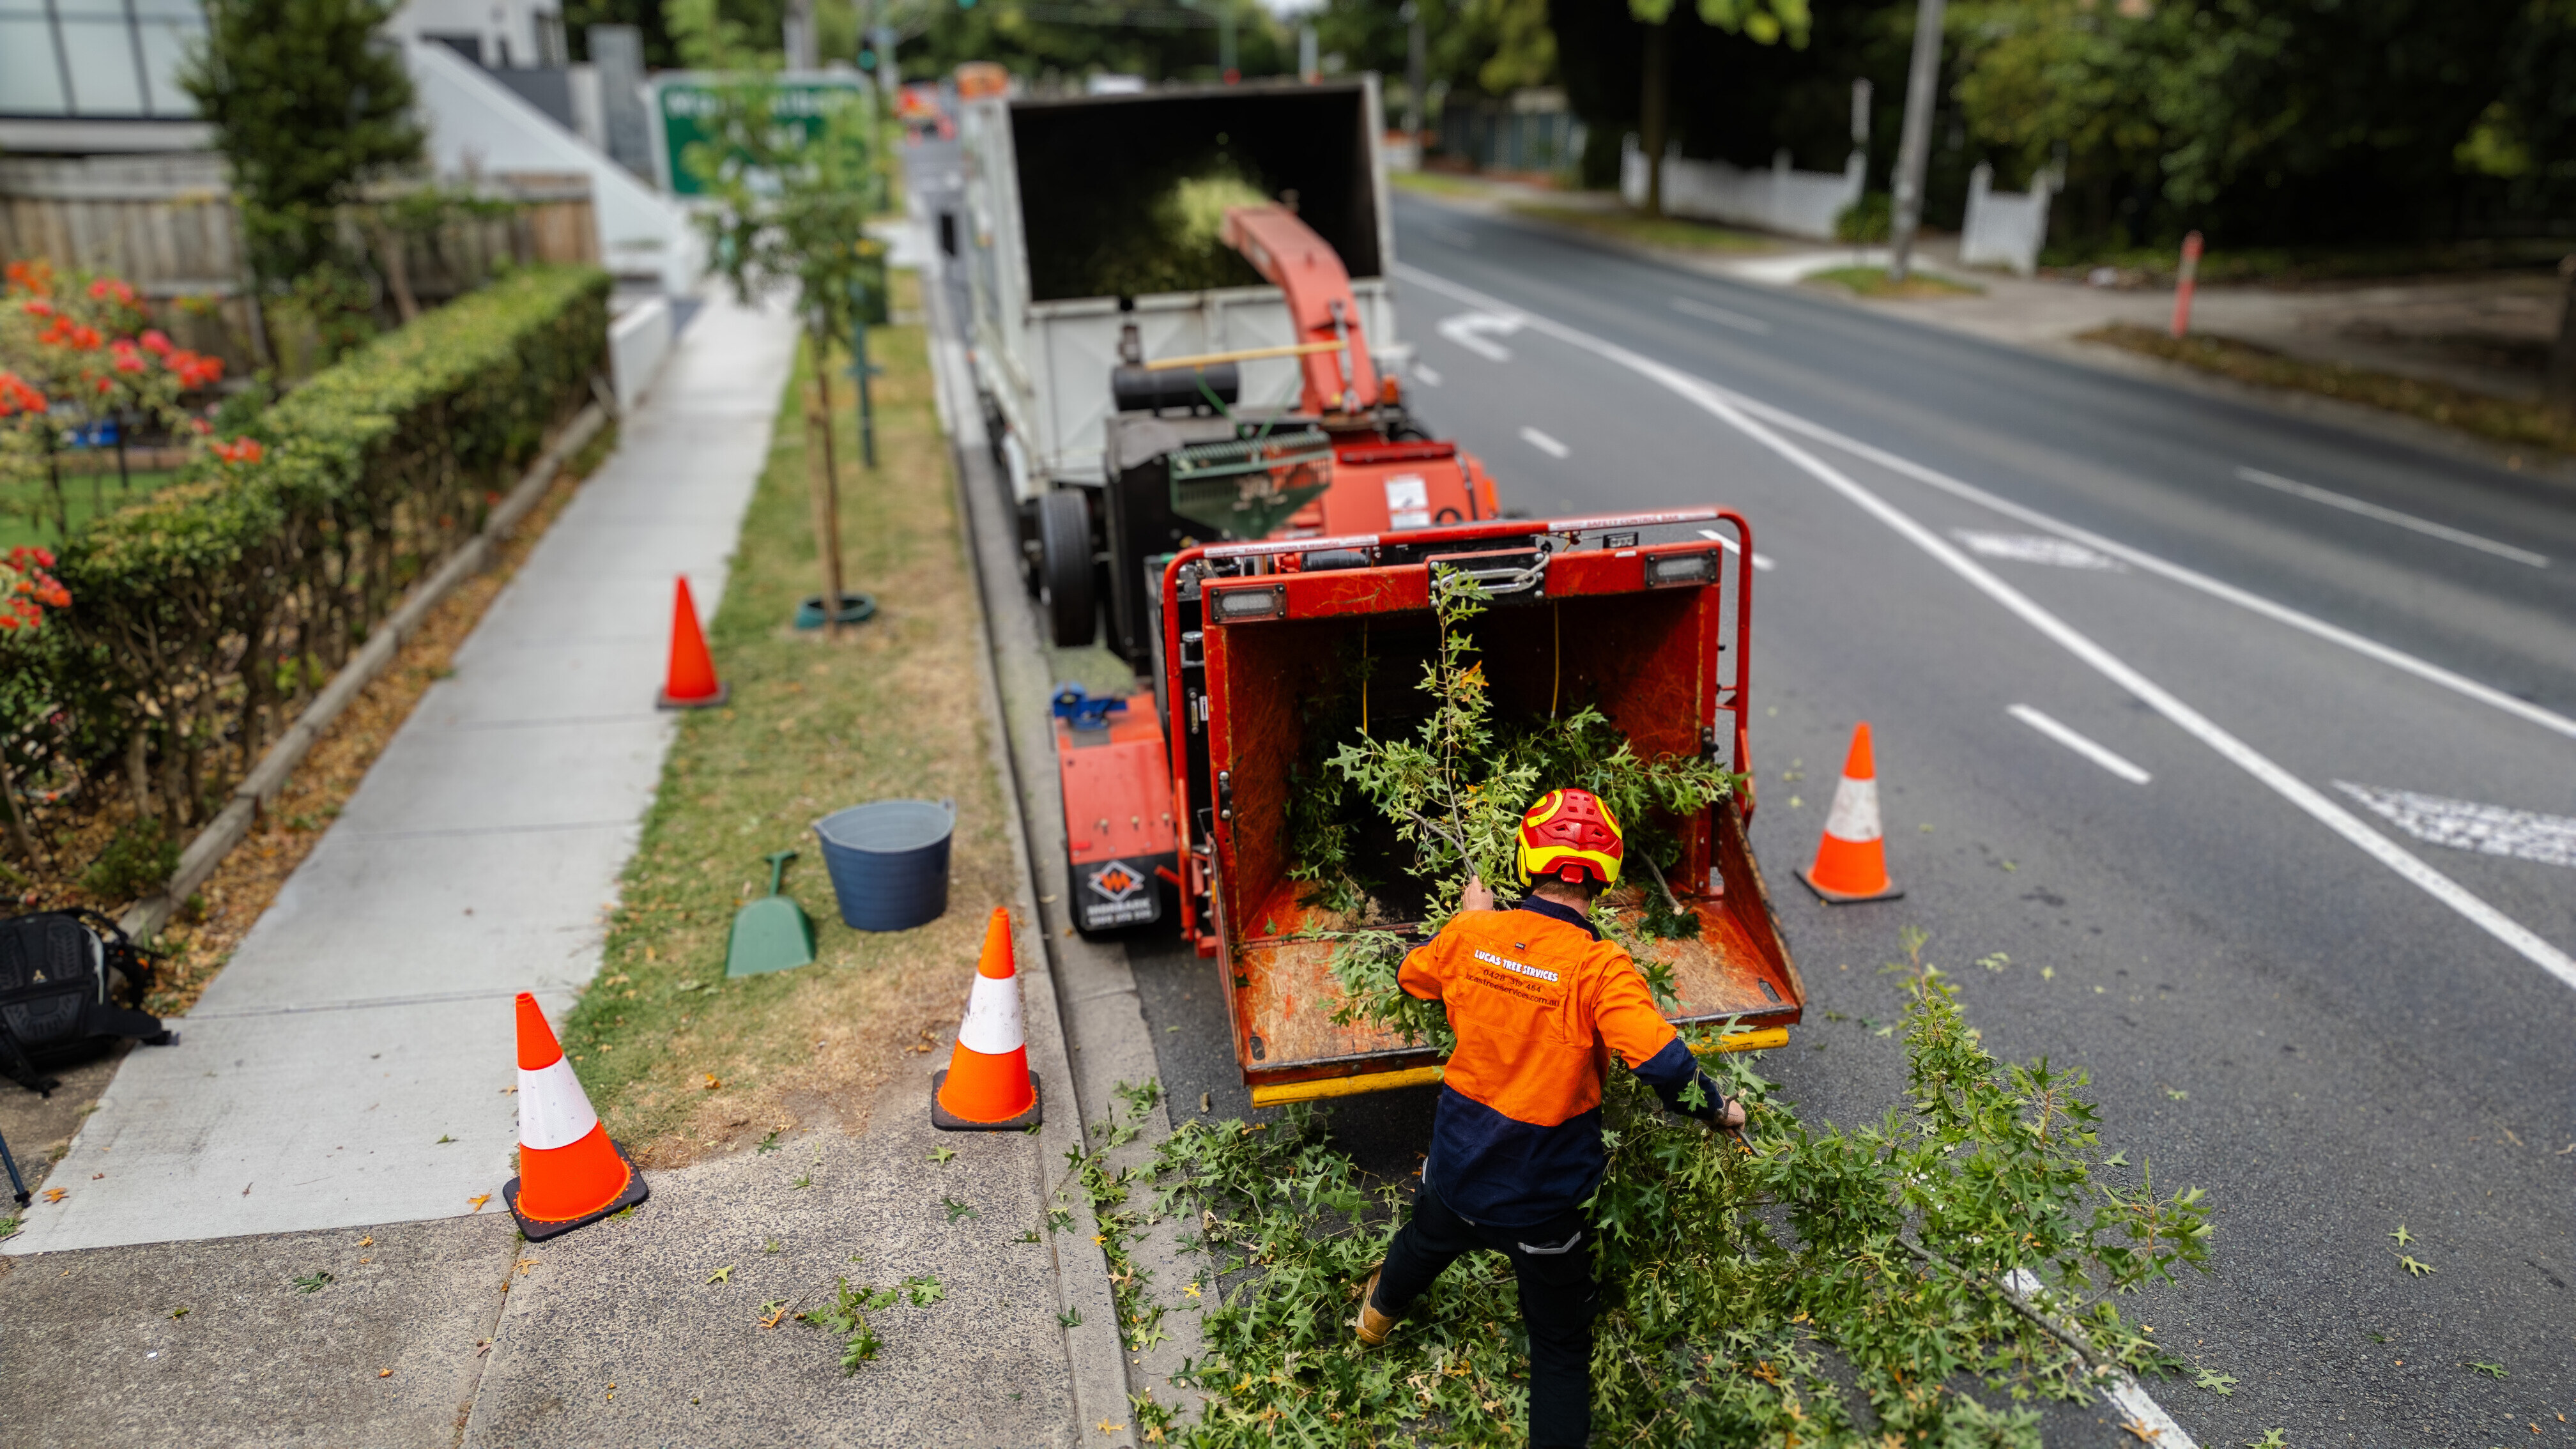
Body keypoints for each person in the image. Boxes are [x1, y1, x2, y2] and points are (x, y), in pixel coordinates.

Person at [1351, 787, 1745, 1449]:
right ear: (1606, 874)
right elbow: (1666, 1068)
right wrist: (1720, 1110)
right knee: (1560, 1348)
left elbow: (1411, 977)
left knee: (1423, 1243)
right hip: (1544, 1201)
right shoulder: (1600, 967)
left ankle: (1373, 1321)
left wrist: (1470, 925)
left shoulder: (1472, 935)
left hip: (1458, 1171)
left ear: (1527, 859)